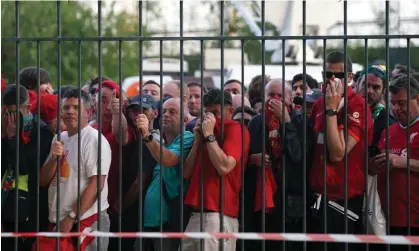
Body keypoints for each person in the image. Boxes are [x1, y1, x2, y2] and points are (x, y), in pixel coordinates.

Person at [308, 51, 374, 251]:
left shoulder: (359, 105)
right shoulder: (318, 103)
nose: (333, 80)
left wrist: (331, 110)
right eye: (328, 75)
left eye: (339, 75)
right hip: (317, 194)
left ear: (351, 78)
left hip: (344, 197)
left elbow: (337, 153)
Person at [39, 87, 111, 250]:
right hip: (60, 220)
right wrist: (54, 160)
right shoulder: (59, 138)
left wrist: (71, 217)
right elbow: (43, 180)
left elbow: (96, 185)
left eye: (76, 108)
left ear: (89, 111)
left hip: (87, 220)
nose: (70, 111)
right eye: (66, 107)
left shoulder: (94, 140)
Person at [182, 89, 250, 251]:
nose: (211, 118)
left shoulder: (236, 129)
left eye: (216, 113)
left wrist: (209, 135)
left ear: (230, 112)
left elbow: (224, 166)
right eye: (207, 113)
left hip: (218, 216)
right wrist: (198, 140)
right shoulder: (206, 132)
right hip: (196, 214)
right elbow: (186, 173)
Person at [135, 98, 194, 251]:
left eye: (172, 112)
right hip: (149, 224)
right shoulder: (162, 143)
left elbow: (167, 159)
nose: (166, 115)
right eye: (164, 111)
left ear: (185, 119)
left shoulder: (187, 137)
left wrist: (147, 135)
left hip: (168, 224)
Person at [369, 75, 419, 251]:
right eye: (393, 103)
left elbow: (398, 162)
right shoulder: (388, 131)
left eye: (402, 103)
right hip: (385, 219)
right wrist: (374, 166)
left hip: (414, 221)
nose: (396, 108)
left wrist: (402, 162)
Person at [1, 84, 54, 250]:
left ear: (28, 108)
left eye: (14, 112)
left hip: (32, 207)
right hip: (7, 202)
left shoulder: (42, 132)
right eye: (6, 112)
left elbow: (25, 169)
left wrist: (12, 139)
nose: (10, 117)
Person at [356, 65, 396, 145]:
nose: (369, 91)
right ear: (357, 84)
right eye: (365, 85)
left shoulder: (388, 126)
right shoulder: (343, 111)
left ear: (383, 91)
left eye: (376, 87)